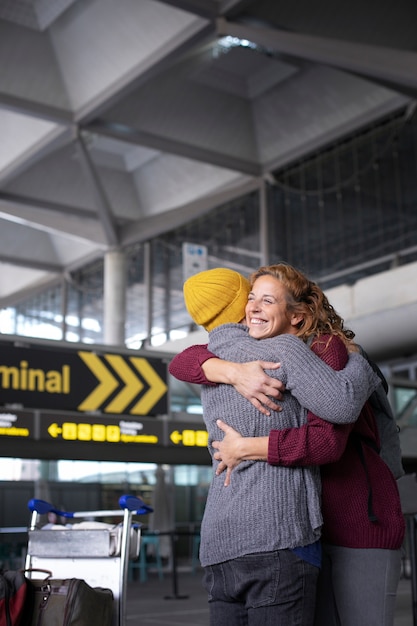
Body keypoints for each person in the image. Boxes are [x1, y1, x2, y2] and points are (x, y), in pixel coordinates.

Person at [169, 264, 405, 626]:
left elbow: (328, 439)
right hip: (301, 525)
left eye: (267, 300)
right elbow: (183, 361)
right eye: (250, 298)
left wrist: (247, 447)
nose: (254, 308)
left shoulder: (324, 348)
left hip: (354, 521)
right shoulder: (252, 354)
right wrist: (233, 371)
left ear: (297, 316)